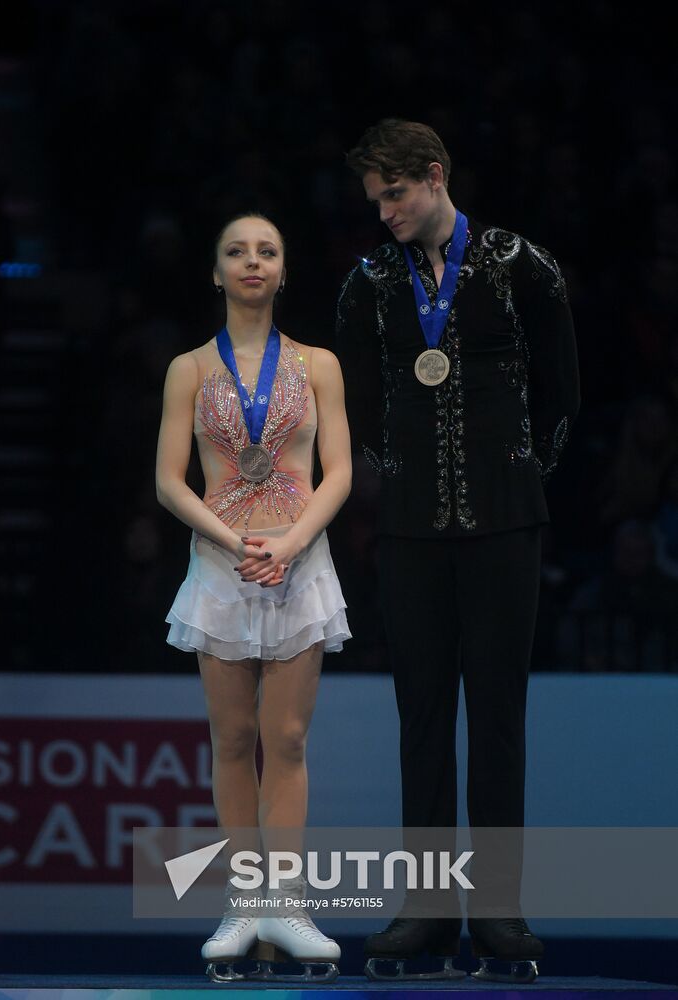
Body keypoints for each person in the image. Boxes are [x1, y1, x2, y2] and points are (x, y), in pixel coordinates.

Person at [336, 119, 580, 983]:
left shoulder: (522, 267)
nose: (386, 214)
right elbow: (356, 411)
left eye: (395, 195)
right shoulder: (367, 285)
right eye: (376, 201)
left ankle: (501, 907)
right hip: (408, 534)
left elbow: (561, 396)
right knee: (424, 719)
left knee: (499, 718)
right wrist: (403, 483)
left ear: (434, 177)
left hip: (506, 528)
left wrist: (513, 480)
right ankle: (429, 909)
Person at [156, 213, 351, 982]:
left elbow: (336, 470)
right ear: (216, 271)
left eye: (267, 250)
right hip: (222, 567)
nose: (252, 261)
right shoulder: (189, 369)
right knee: (234, 740)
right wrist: (238, 545)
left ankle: (289, 906)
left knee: (291, 740)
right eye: (237, 251)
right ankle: (243, 902)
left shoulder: (320, 364)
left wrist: (293, 542)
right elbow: (170, 480)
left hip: (299, 565)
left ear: (283, 270)